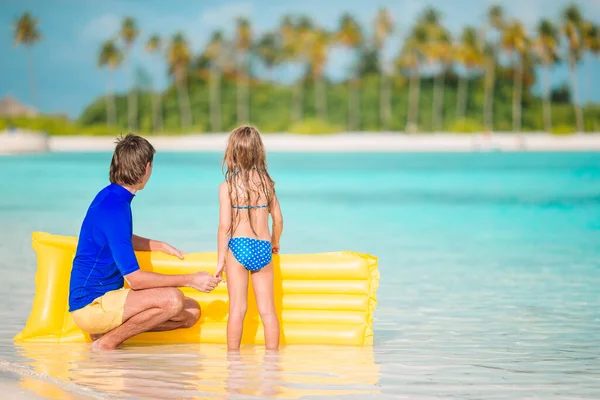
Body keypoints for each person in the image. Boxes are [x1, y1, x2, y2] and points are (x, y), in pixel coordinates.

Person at [69, 133, 221, 350]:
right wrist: (190, 279)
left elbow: (116, 238)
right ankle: (107, 342)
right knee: (173, 300)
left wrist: (157, 245)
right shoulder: (115, 207)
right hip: (91, 304)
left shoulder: (111, 196)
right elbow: (136, 280)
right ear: (147, 168)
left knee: (191, 313)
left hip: (109, 299)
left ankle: (107, 333)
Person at [215, 126, 283, 350]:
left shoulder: (227, 186)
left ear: (232, 153)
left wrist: (220, 259)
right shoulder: (267, 184)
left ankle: (233, 362)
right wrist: (274, 242)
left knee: (237, 309)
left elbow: (225, 226)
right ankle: (272, 362)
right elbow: (279, 219)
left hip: (239, 246)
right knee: (268, 311)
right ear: (259, 152)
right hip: (263, 247)